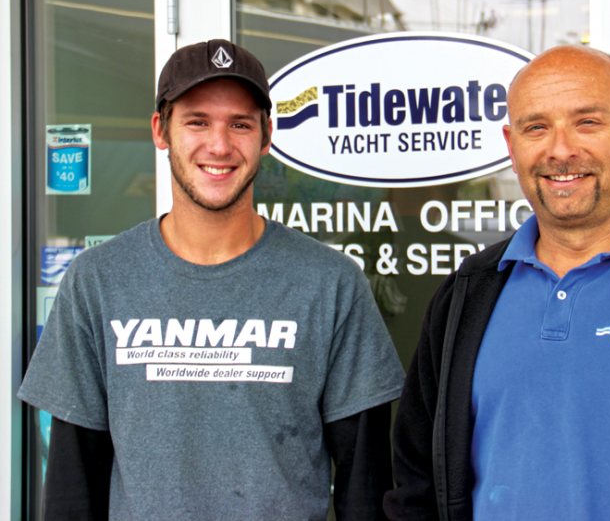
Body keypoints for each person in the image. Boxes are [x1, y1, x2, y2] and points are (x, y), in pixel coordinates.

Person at [19, 39, 405, 520]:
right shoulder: (97, 281)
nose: (219, 146)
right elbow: (73, 486)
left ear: (266, 137)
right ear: (161, 130)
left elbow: (364, 487)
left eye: (240, 124)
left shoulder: (332, 284)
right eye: (197, 121)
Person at [383, 45, 610, 521]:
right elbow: (415, 484)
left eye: (587, 122)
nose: (561, 150)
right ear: (512, 147)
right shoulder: (466, 294)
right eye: (536, 127)